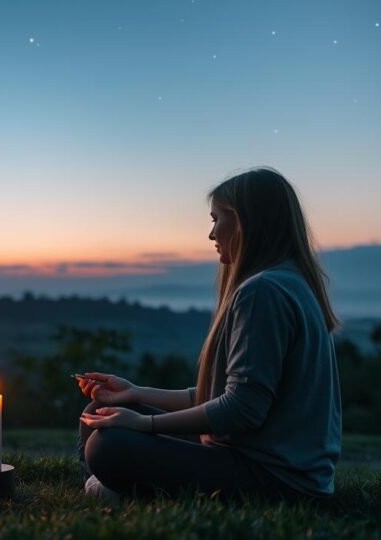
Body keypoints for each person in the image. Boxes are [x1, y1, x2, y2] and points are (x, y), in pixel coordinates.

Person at [77, 167, 342, 503]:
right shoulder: (287, 282)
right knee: (100, 414)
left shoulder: (263, 292)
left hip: (276, 480)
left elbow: (241, 410)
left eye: (217, 219)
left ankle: (114, 492)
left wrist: (144, 426)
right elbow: (220, 397)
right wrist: (134, 393)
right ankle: (119, 488)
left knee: (109, 443)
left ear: (245, 222)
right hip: (265, 464)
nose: (211, 234)